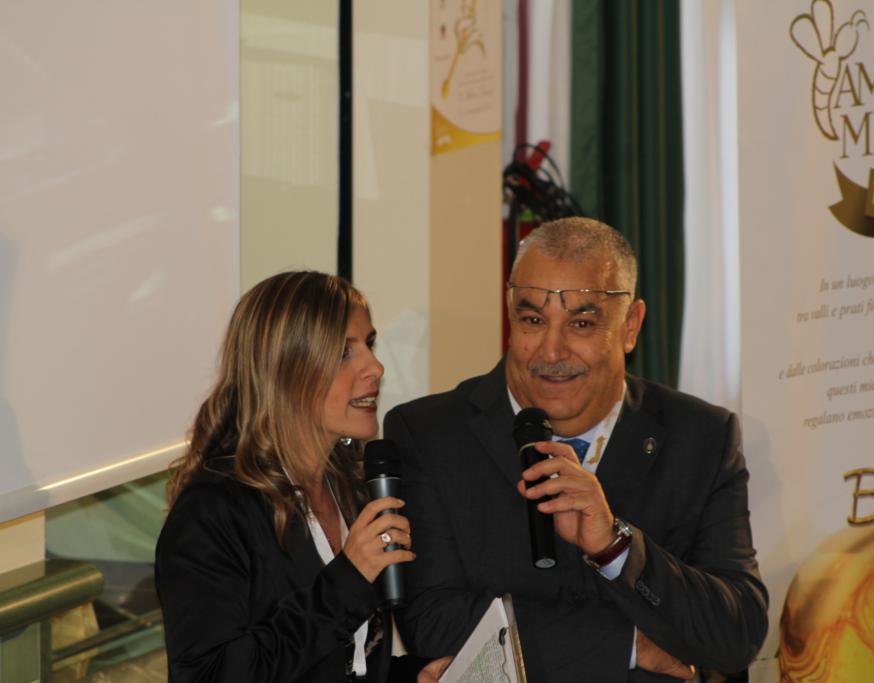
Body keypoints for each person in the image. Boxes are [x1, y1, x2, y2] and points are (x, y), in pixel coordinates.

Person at [385, 218, 768, 682]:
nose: (551, 351)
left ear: (631, 326)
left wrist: (615, 547)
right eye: (533, 320)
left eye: (581, 324)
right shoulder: (428, 434)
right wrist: (628, 645)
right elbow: (432, 622)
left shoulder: (701, 437)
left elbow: (737, 631)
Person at [156, 271, 436, 682]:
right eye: (343, 352)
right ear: (286, 372)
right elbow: (211, 675)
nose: (375, 367)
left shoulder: (349, 485)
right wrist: (348, 580)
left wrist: (413, 675)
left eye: (369, 344)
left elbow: (338, 662)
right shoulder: (213, 511)